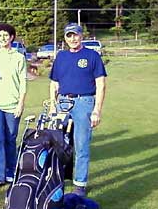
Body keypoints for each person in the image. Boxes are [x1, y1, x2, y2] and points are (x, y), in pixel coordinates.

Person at [49, 23, 107, 197]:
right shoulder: (61, 56)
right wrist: (53, 104)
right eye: (69, 36)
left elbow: (101, 84)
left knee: (81, 145)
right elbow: (54, 83)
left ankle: (79, 185)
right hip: (63, 103)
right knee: (57, 144)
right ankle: (57, 178)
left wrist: (97, 110)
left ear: (82, 36)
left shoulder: (92, 56)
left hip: (84, 102)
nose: (73, 39)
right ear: (65, 38)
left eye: (75, 35)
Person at [0, 23, 27, 189]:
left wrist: (20, 104)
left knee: (10, 139)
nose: (3, 38)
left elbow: (23, 83)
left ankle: (11, 171)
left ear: (12, 37)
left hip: (13, 106)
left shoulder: (19, 57)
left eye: (6, 35)